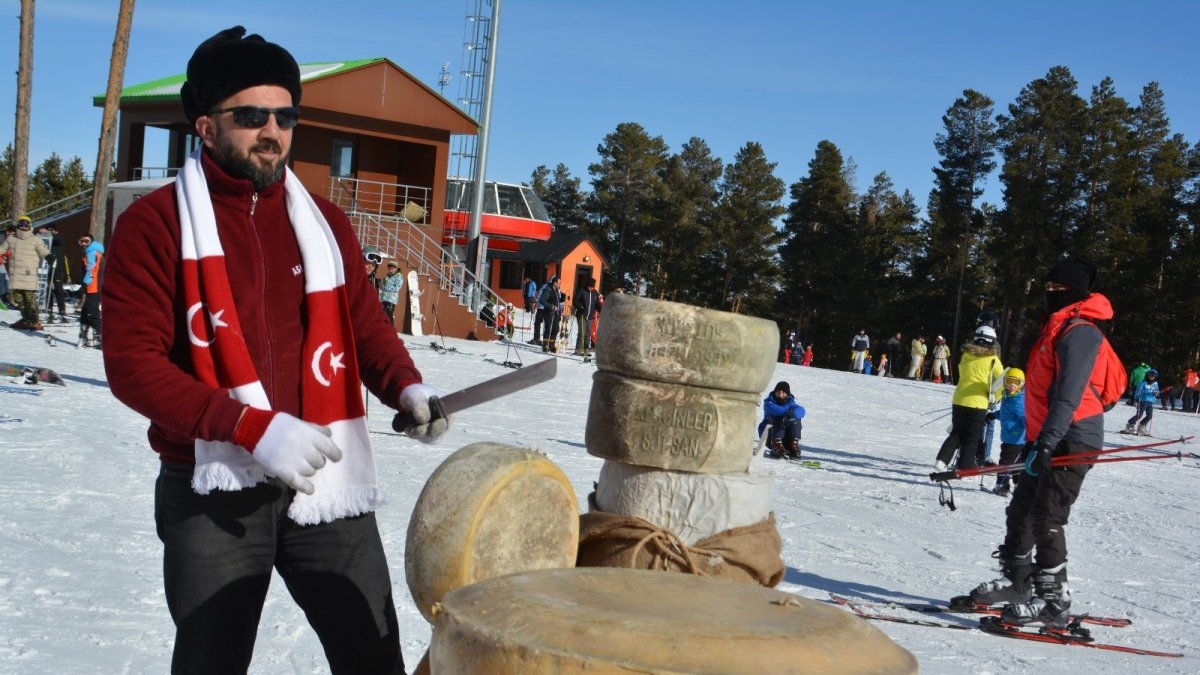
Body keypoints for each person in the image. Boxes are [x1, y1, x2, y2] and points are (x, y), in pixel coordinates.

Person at [100, 26, 451, 674]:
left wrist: (406, 384)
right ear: (205, 126)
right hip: (214, 486)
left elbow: (364, 325)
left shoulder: (325, 224)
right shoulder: (155, 227)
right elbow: (132, 364)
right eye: (251, 115)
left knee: (372, 653)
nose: (272, 130)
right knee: (212, 659)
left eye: (285, 114)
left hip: (324, 476)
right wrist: (250, 427)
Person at [960, 257, 1116, 629]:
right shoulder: (1056, 328)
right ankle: (1017, 583)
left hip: (1072, 436)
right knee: (1021, 510)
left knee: (1048, 517)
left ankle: (1054, 602)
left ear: (1077, 292)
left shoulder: (1081, 332)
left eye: (1058, 290)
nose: (1051, 295)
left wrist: (1047, 441)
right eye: (1048, 288)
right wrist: (1038, 440)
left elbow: (1070, 394)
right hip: (1045, 436)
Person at [933, 326, 1003, 472]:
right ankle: (965, 466)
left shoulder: (966, 355)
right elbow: (1001, 380)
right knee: (972, 435)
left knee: (957, 432)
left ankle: (942, 460)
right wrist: (996, 397)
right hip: (978, 402)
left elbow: (963, 372)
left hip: (959, 399)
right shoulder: (993, 360)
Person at [0, 216, 49, 329]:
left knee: (29, 298)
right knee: (19, 299)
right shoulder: (11, 239)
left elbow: (42, 250)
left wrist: (49, 256)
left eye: (25, 224)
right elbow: (2, 249)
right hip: (16, 273)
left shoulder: (35, 239)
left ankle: (35, 320)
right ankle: (26, 319)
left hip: (28, 273)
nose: (23, 227)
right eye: (21, 224)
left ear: (29, 226)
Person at [990, 367, 1027, 496]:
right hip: (1009, 437)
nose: (1011, 385)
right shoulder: (1008, 397)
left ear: (1021, 384)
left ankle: (1002, 486)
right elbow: (1007, 414)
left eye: (1015, 383)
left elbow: (1026, 419)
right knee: (1017, 464)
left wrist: (1027, 431)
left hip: (1016, 439)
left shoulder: (1019, 400)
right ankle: (1019, 486)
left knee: (1006, 463)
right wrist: (994, 415)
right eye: (1009, 381)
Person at [758, 381, 806, 460]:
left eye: (783, 392)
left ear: (787, 394)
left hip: (785, 436)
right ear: (775, 392)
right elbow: (777, 410)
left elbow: (801, 410)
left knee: (796, 418)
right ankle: (776, 446)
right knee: (779, 417)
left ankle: (793, 445)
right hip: (769, 436)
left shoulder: (790, 403)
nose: (780, 395)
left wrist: (793, 415)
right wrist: (789, 414)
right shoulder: (769, 403)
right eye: (778, 392)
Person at [36, 224, 69, 323]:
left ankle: (62, 309)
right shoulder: (46, 240)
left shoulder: (58, 238)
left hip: (57, 268)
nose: (48, 233)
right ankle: (48, 308)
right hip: (47, 267)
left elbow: (58, 240)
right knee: (47, 287)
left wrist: (47, 232)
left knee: (58, 288)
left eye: (51, 231)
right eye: (48, 230)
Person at [77, 234, 104, 348]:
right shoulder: (92, 251)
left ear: (91, 242)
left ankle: (98, 337)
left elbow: (92, 269)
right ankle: (83, 334)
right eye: (81, 241)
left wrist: (85, 282)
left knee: (92, 311)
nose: (83, 244)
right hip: (92, 286)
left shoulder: (92, 252)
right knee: (85, 310)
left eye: (86, 241)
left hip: (93, 287)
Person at [1123, 368, 1159, 435]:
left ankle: (1141, 427)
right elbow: (1138, 391)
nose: (1151, 377)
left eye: (1153, 376)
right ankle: (1130, 425)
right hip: (1143, 400)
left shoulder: (1155, 383)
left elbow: (1157, 391)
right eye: (1150, 375)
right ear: (1148, 375)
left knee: (1149, 416)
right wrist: (1136, 399)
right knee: (1139, 415)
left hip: (1150, 401)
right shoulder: (1143, 382)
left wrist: (1156, 393)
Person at [572, 277, 601, 356]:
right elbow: (575, 301)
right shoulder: (581, 290)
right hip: (581, 315)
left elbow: (597, 305)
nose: (591, 288)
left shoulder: (595, 293)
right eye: (590, 287)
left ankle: (586, 350)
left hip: (590, 317)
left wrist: (601, 309)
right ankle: (578, 350)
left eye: (592, 287)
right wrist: (580, 307)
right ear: (587, 285)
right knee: (582, 333)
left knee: (588, 334)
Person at [536, 275, 561, 352]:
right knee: (548, 328)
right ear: (555, 283)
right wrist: (551, 306)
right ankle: (545, 345)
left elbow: (557, 299)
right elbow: (542, 300)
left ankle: (551, 344)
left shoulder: (556, 290)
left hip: (556, 312)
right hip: (549, 312)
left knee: (556, 329)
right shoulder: (548, 289)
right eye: (559, 283)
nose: (560, 284)